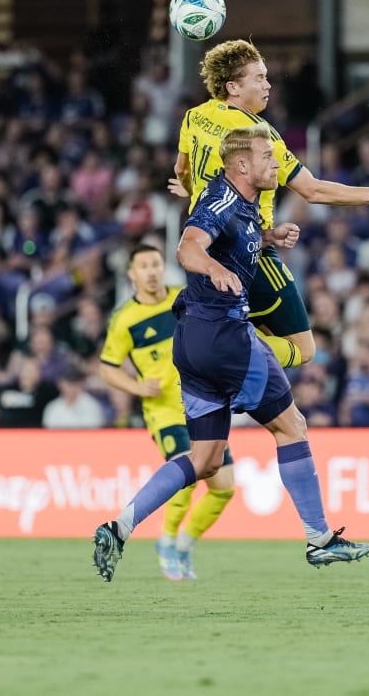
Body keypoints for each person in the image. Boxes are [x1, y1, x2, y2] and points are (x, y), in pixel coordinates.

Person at [93, 126, 369, 582]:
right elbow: (188, 247)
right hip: (226, 337)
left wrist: (267, 237)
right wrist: (216, 269)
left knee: (205, 460)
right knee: (292, 425)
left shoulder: (239, 206)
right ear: (242, 165)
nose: (276, 164)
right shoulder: (220, 200)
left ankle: (119, 525)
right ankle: (320, 539)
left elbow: (229, 235)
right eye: (267, 156)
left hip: (193, 345)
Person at [169, 39, 369, 369]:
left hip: (205, 248)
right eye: (258, 78)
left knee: (255, 355)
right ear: (232, 86)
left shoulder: (195, 116)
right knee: (303, 349)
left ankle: (224, 349)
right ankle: (224, 348)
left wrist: (190, 189)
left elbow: (182, 168)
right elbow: (314, 191)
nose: (268, 85)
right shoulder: (260, 137)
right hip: (250, 252)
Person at [98, 244, 235, 581]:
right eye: (143, 265)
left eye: (156, 264)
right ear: (132, 274)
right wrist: (137, 388)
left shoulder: (185, 298)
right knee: (188, 471)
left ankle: (185, 544)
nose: (151, 270)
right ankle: (167, 541)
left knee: (225, 487)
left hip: (204, 404)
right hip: (165, 413)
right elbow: (107, 368)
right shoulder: (124, 320)